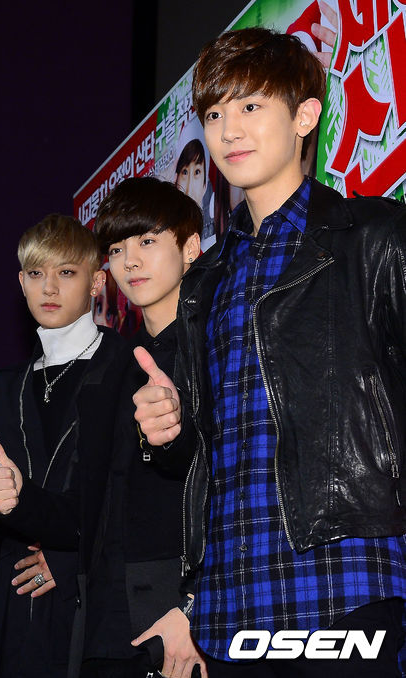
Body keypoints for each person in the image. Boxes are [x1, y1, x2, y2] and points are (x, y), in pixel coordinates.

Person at [133, 27, 406, 677]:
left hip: (349, 584)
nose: (229, 130)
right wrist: (168, 430)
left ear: (304, 116)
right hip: (228, 606)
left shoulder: (375, 239)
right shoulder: (204, 281)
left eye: (251, 106)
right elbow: (206, 453)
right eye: (214, 114)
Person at [0, 214, 129, 678]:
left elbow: (132, 500)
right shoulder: (5, 386)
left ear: (96, 282)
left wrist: (69, 559)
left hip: (95, 606)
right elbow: (2, 510)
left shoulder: (126, 366)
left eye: (66, 272)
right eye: (37, 273)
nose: (49, 288)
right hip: (18, 613)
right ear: (21, 283)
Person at [82, 176, 204, 678]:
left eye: (147, 241)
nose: (129, 261)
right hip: (107, 617)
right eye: (116, 249)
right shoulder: (115, 366)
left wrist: (197, 606)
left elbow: (240, 488)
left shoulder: (221, 347)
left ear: (191, 247)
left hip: (182, 613)